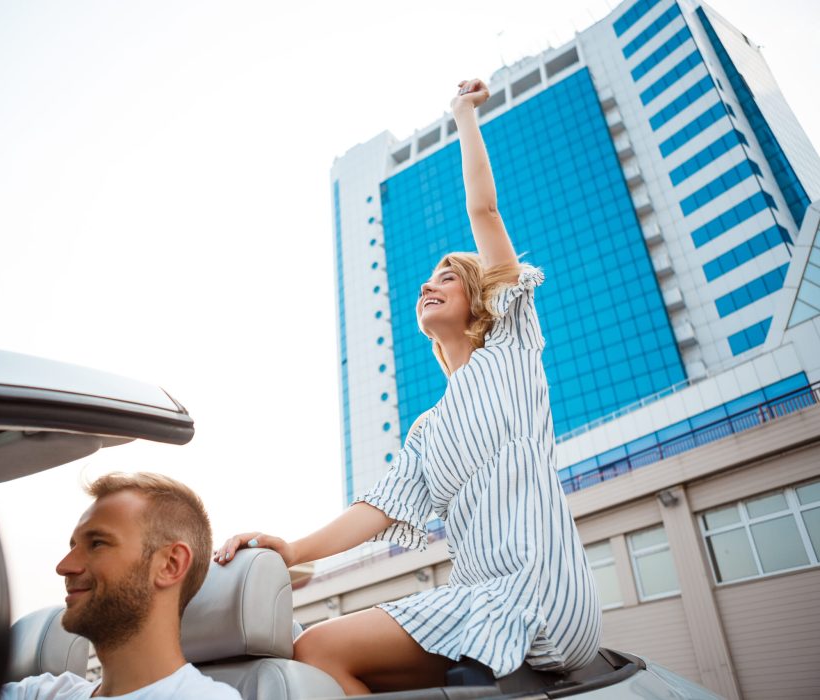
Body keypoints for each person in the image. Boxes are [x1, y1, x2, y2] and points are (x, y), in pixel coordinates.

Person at [215, 79, 601, 695]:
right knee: (316, 655)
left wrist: (463, 115)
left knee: (314, 646)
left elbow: (484, 213)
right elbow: (373, 512)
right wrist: (289, 547)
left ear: (480, 298)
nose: (430, 283)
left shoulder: (511, 347)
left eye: (448, 275)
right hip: (484, 603)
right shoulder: (427, 430)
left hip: (538, 597)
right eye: (427, 279)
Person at [1, 472, 240, 700]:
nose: (64, 566)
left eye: (97, 544)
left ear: (170, 564)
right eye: (73, 547)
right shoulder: (40, 693)